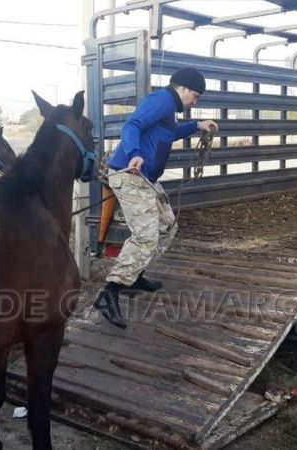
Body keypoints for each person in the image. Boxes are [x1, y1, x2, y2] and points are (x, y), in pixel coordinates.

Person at [93, 68, 219, 329]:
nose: (195, 102)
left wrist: (196, 126)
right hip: (130, 175)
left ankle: (134, 276)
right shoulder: (161, 100)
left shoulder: (168, 110)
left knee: (167, 227)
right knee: (145, 236)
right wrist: (134, 153)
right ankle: (109, 294)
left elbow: (168, 134)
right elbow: (132, 125)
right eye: (195, 96)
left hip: (146, 178)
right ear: (183, 88)